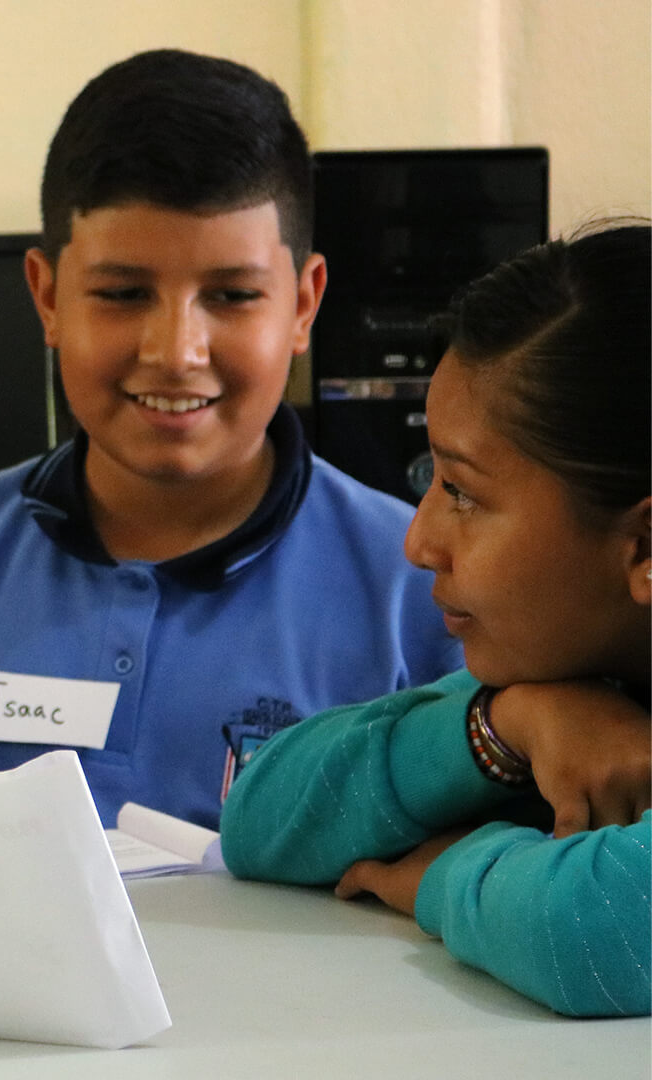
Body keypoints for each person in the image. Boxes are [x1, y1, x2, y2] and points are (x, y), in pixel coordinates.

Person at [0, 49, 461, 828]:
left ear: (303, 305)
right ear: (48, 296)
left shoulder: (423, 590)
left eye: (231, 295)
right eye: (124, 294)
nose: (176, 350)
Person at [221, 223, 650, 1018]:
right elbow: (256, 820)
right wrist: (503, 725)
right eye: (432, 475)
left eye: (462, 492)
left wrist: (441, 875)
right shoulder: (574, 678)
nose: (417, 542)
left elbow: (594, 931)